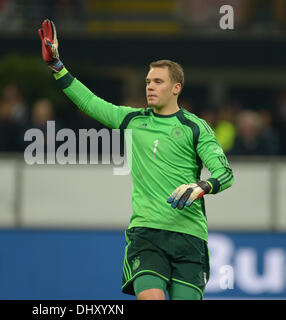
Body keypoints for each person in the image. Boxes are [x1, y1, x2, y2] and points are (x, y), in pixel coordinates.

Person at [38, 19, 234, 300]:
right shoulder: (132, 119)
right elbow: (90, 102)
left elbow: (225, 173)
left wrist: (202, 186)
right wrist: (57, 66)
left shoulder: (195, 127)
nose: (150, 87)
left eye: (158, 81)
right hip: (147, 234)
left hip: (189, 238)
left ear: (176, 88)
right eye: (147, 82)